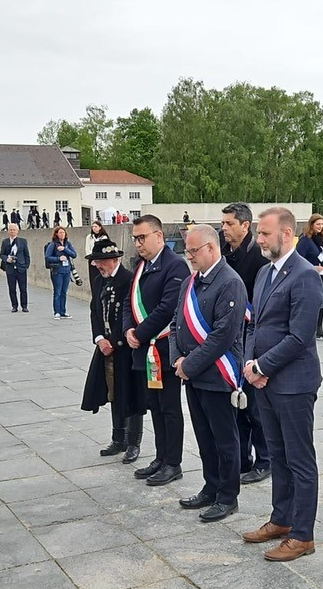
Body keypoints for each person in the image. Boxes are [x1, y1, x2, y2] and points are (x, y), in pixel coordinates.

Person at [240, 207, 323, 562]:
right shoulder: (264, 273)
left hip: (294, 383)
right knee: (279, 456)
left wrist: (262, 365)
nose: (258, 239)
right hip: (265, 381)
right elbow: (255, 324)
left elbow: (299, 336)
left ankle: (303, 534)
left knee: (300, 459)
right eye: (258, 233)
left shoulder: (304, 275)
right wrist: (249, 362)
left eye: (264, 233)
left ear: (287, 234)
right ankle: (282, 519)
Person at [170, 225, 248, 523]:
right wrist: (177, 358)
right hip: (192, 374)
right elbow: (178, 321)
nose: (189, 256)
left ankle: (228, 496)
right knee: (203, 435)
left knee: (224, 438)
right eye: (187, 251)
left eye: (193, 250)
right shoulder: (190, 282)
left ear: (212, 248)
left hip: (217, 374)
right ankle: (210, 485)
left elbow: (222, 336)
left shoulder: (230, 283)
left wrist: (188, 365)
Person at [124, 214, 189, 487]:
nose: (138, 243)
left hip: (164, 349)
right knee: (155, 406)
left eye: (143, 237)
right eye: (135, 239)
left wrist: (139, 334)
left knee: (169, 407)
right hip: (145, 350)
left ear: (159, 236)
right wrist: (128, 330)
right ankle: (161, 458)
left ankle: (173, 462)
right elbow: (130, 303)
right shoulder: (141, 266)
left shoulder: (174, 266)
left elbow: (167, 308)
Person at [82, 235, 145, 463]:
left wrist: (116, 341)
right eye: (96, 261)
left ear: (113, 260)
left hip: (125, 348)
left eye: (101, 261)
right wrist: (99, 338)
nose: (97, 265)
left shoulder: (129, 280)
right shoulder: (100, 280)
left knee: (131, 395)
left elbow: (132, 314)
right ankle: (118, 438)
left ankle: (133, 442)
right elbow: (94, 311)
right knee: (113, 393)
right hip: (105, 347)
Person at [221, 203, 272, 485]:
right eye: (223, 223)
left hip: (252, 337)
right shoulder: (223, 253)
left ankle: (266, 460)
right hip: (229, 339)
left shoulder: (259, 258)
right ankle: (242, 458)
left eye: (229, 224)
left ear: (245, 225)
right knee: (235, 403)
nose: (224, 228)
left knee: (255, 406)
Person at [298, 214, 323, 339]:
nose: (320, 226)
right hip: (308, 277)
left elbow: (321, 257)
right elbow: (299, 260)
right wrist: (314, 267)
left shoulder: (320, 240)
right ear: (311, 225)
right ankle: (309, 329)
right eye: (317, 224)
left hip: (320, 276)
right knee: (311, 303)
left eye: (322, 224)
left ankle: (319, 329)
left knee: (321, 301)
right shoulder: (305, 241)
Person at [44, 227, 77, 319]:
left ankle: (63, 311)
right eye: (60, 232)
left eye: (63, 232)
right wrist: (58, 258)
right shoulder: (53, 244)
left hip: (67, 270)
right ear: (56, 234)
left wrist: (65, 249)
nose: (62, 234)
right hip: (57, 271)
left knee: (64, 292)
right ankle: (57, 312)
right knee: (57, 292)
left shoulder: (68, 244)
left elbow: (74, 255)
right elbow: (47, 257)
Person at [0, 224, 31, 313]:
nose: (12, 231)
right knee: (12, 288)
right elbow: (1, 254)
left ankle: (24, 306)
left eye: (14, 230)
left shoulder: (23, 241)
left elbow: (26, 255)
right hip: (10, 268)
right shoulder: (5, 242)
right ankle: (14, 305)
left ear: (17, 231)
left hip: (21, 268)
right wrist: (7, 259)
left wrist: (26, 266)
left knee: (23, 288)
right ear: (8, 231)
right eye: (11, 230)